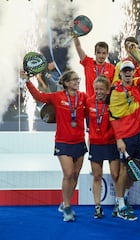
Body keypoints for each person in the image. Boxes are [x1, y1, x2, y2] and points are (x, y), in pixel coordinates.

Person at [22, 70, 87, 222]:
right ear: (66, 83)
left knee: (76, 175)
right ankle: (67, 207)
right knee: (68, 173)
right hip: (63, 142)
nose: (78, 81)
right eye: (74, 79)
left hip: (79, 141)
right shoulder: (57, 97)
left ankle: (65, 203)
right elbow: (39, 96)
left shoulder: (82, 97)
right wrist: (27, 81)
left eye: (78, 79)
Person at [108, 61, 140, 221]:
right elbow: (114, 118)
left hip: (139, 137)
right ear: (120, 73)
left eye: (130, 71)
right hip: (125, 138)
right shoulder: (116, 91)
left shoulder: (136, 85)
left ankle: (124, 197)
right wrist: (119, 139)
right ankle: (120, 206)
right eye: (125, 71)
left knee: (134, 171)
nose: (127, 73)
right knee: (125, 172)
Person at [85, 75, 120, 219]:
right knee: (97, 176)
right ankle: (97, 206)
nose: (98, 92)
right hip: (96, 144)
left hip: (111, 143)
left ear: (107, 91)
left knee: (115, 175)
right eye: (96, 89)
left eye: (101, 89)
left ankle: (119, 203)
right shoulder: (89, 102)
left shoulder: (112, 102)